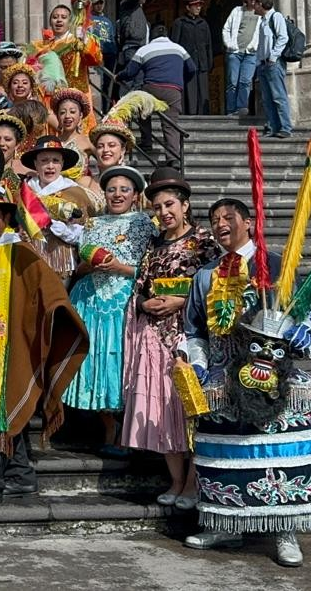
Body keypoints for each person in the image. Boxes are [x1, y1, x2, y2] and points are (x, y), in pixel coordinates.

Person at [181, 197, 311, 567]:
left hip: (272, 374)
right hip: (222, 378)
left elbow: (310, 313)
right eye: (214, 219)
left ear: (248, 223)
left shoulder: (277, 266)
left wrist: (303, 330)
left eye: (228, 217)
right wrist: (198, 364)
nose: (221, 224)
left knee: (278, 454)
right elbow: (194, 330)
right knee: (224, 456)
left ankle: (285, 531)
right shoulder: (205, 275)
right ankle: (225, 523)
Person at [0, 188, 89, 510]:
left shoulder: (22, 251)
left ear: (6, 218)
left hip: (12, 344)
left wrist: (56, 314)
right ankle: (22, 474)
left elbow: (50, 290)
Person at [123, 168, 218, 508]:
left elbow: (217, 287)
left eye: (170, 205)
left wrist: (181, 300)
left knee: (188, 407)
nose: (164, 212)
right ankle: (176, 481)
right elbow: (140, 286)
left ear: (185, 205)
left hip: (188, 336)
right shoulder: (153, 244)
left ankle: (193, 483)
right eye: (158, 207)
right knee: (162, 410)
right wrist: (143, 303)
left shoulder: (204, 243)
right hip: (154, 336)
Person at [62, 166, 156, 454]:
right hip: (90, 301)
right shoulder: (91, 224)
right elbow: (78, 268)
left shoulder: (145, 224)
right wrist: (89, 266)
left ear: (135, 195)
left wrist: (119, 267)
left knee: (122, 362)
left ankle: (127, 429)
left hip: (124, 303)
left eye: (124, 190)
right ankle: (108, 428)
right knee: (95, 364)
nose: (117, 195)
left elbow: (151, 270)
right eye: (112, 189)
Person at [20, 136, 93, 281]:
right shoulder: (23, 191)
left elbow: (88, 232)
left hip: (61, 263)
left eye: (55, 160)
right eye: (44, 160)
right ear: (35, 164)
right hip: (27, 262)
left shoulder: (75, 193)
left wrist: (65, 231)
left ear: (62, 164)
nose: (50, 166)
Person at [119, 25, 194, 161]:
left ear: (152, 36)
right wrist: (181, 82)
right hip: (173, 90)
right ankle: (173, 158)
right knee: (170, 125)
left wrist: (118, 77)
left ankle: (147, 142)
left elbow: (130, 72)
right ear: (167, 35)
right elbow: (192, 68)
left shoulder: (144, 49)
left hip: (151, 88)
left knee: (143, 110)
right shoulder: (179, 48)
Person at [256, 0, 293, 139]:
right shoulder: (262, 21)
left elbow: (283, 37)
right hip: (263, 64)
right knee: (267, 98)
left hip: (273, 64)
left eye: (256, 4)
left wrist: (273, 56)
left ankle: (285, 127)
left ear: (261, 5)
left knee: (278, 96)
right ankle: (273, 127)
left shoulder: (275, 17)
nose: (254, 7)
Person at [221, 0, 262, 117]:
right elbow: (226, 29)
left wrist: (256, 46)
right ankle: (231, 110)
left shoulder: (261, 14)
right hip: (235, 52)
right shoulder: (237, 11)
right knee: (232, 82)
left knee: (245, 81)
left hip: (251, 53)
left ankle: (241, 108)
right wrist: (229, 44)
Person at [170, 0, 213, 115]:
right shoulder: (180, 23)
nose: (198, 8)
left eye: (199, 5)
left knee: (203, 91)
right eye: (195, 5)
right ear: (188, 7)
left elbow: (208, 45)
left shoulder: (203, 23)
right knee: (190, 91)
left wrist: (209, 62)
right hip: (187, 63)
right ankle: (190, 114)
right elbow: (175, 44)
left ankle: (203, 115)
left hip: (202, 62)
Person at [116, 0, 154, 71]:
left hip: (141, 49)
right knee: (132, 77)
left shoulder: (138, 10)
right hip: (132, 49)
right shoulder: (126, 5)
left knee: (140, 78)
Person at [89, 0, 118, 75]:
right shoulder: (89, 18)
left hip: (109, 52)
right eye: (96, 3)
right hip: (96, 51)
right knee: (97, 75)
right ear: (92, 5)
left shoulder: (108, 21)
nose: (99, 6)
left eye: (101, 3)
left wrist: (115, 51)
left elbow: (112, 36)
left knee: (108, 76)